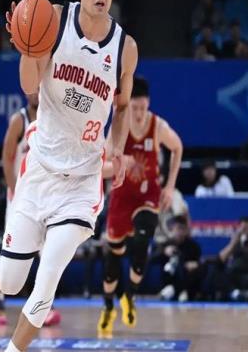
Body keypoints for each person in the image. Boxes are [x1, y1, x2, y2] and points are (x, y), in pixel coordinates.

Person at [0, 0, 138, 352]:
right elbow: (29, 86)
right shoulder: (54, 21)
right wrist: (26, 48)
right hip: (39, 170)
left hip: (81, 183)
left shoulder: (126, 48)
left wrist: (117, 147)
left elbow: (123, 107)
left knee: (47, 281)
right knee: (9, 282)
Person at [97, 76, 183, 336]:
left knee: (143, 241)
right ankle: (109, 306)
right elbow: (103, 164)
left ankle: (130, 295)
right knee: (113, 259)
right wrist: (120, 162)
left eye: (142, 108)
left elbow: (177, 147)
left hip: (148, 194)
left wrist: (170, 186)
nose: (138, 113)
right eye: (134, 108)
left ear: (148, 104)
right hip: (121, 197)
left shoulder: (157, 126)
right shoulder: (118, 126)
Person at [0, 93, 39, 325]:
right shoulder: (19, 121)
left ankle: (42, 303)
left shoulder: (53, 116)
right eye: (33, 88)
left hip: (43, 195)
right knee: (10, 247)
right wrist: (14, 191)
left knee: (46, 250)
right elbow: (7, 158)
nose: (36, 92)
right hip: (20, 195)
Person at [158, 215, 203, 302]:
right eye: (178, 228)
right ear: (172, 229)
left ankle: (175, 290)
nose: (180, 232)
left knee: (200, 268)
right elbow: (152, 259)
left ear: (186, 230)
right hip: (170, 278)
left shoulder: (193, 246)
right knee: (172, 264)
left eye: (182, 229)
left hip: (188, 278)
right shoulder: (166, 244)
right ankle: (174, 290)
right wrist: (164, 252)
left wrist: (195, 264)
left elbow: (198, 262)